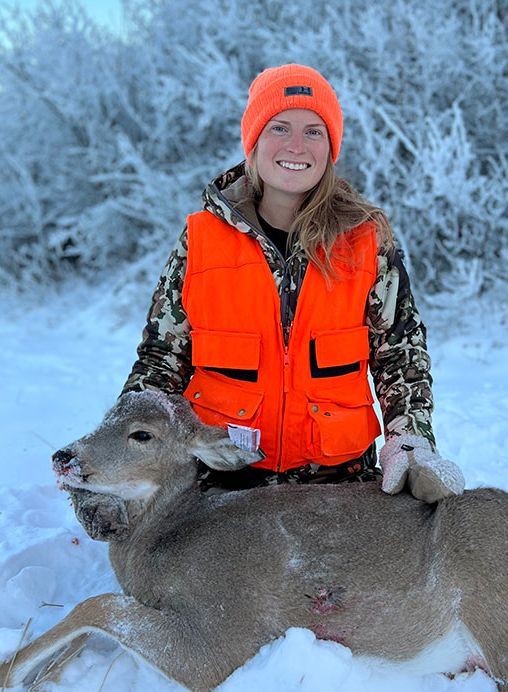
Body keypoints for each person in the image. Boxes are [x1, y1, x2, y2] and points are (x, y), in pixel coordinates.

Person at [122, 63, 464, 502]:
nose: (297, 146)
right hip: (219, 491)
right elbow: (160, 362)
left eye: (314, 131)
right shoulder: (201, 239)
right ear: (255, 141)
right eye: (280, 127)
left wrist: (410, 442)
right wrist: (126, 446)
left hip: (338, 488)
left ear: (331, 147)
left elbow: (400, 355)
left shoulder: (365, 240)